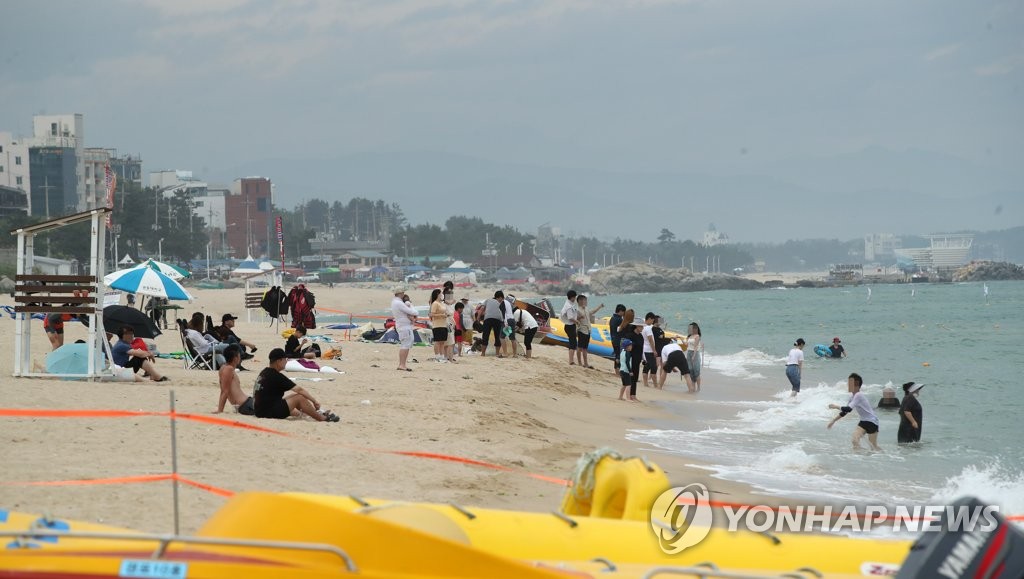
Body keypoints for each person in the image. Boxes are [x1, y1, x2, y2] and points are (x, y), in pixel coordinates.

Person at [253, 348, 338, 422]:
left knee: (293, 397)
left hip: (260, 410)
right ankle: (322, 418)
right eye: (285, 359)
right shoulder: (276, 376)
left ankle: (308, 414)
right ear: (279, 361)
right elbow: (299, 390)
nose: (287, 361)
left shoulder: (265, 372)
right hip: (267, 413)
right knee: (299, 398)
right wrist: (314, 401)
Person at [827, 372, 881, 451]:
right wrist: (833, 421)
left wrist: (836, 406)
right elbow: (845, 412)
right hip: (863, 422)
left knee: (874, 447)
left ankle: (884, 456)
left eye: (849, 383)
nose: (847, 385)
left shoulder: (859, 395)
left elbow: (848, 409)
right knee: (854, 440)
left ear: (856, 384)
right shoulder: (852, 397)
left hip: (872, 422)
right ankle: (859, 457)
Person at [214, 345, 254, 415]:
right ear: (235, 358)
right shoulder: (229, 369)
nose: (240, 358)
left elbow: (223, 390)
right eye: (239, 355)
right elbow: (225, 391)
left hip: (246, 403)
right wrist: (220, 410)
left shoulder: (223, 367)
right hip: (245, 405)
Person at [391, 286, 418, 371]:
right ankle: (402, 364)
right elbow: (413, 312)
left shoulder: (395, 302)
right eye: (402, 292)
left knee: (406, 344)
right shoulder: (398, 303)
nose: (403, 294)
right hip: (404, 326)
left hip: (402, 325)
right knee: (405, 345)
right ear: (400, 293)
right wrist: (410, 304)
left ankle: (402, 364)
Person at [574, 295, 604, 369]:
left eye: (586, 300)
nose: (586, 301)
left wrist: (599, 307)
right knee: (579, 347)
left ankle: (586, 363)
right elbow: (573, 319)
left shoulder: (586, 309)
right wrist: (579, 318)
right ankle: (580, 363)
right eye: (584, 300)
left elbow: (592, 312)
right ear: (580, 301)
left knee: (585, 348)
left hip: (588, 330)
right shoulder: (577, 310)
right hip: (581, 330)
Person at [480, 290, 506, 358]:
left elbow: (482, 308)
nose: (501, 300)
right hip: (498, 320)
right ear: (499, 297)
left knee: (485, 336)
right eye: (501, 298)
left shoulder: (488, 300)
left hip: (488, 319)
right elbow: (503, 313)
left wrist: (478, 318)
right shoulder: (501, 302)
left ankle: (483, 353)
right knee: (497, 336)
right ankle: (497, 353)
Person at [428, 288, 450, 362]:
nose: (442, 295)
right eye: (441, 293)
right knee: (437, 341)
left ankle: (442, 356)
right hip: (437, 325)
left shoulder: (442, 303)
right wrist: (441, 315)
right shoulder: (435, 303)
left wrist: (446, 314)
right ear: (438, 294)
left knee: (442, 341)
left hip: (444, 324)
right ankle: (437, 356)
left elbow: (445, 311)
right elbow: (432, 314)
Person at [559, 290, 578, 365]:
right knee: (573, 343)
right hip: (570, 326)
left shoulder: (568, 303)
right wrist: (577, 321)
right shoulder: (569, 307)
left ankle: (571, 360)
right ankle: (571, 360)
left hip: (569, 326)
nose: (575, 298)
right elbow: (570, 318)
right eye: (575, 297)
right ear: (572, 297)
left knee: (572, 342)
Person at [641, 312, 660, 387]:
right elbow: (650, 340)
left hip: (644, 350)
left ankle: (646, 383)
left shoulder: (643, 326)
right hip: (649, 350)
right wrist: (654, 350)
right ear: (649, 319)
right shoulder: (648, 328)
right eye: (652, 320)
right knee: (653, 367)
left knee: (647, 366)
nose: (653, 322)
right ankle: (655, 385)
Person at [686, 322, 703, 391]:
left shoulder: (697, 336)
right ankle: (693, 386)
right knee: (690, 369)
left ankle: (698, 387)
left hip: (695, 353)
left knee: (696, 370)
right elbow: (686, 344)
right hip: (689, 352)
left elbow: (696, 347)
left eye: (691, 327)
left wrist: (694, 355)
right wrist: (679, 339)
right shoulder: (689, 336)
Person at [609, 304, 626, 372]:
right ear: (621, 311)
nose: (624, 313)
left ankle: (616, 369)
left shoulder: (612, 318)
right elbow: (622, 329)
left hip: (613, 338)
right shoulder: (619, 319)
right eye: (623, 312)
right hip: (618, 339)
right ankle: (617, 370)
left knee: (617, 354)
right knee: (619, 355)